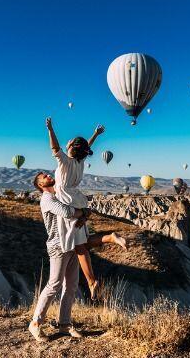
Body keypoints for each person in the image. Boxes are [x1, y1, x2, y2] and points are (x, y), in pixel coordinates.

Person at [45, 117, 127, 300]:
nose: (67, 143)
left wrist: (50, 129)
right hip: (77, 199)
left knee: (79, 247)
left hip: (67, 202)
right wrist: (95, 135)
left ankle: (91, 281)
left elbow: (54, 148)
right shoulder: (80, 163)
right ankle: (110, 238)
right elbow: (85, 147)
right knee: (83, 243)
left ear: (72, 148)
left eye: (70, 142)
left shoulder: (65, 162)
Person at [29, 171, 88, 342]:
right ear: (41, 185)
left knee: (71, 285)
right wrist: (82, 212)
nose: (48, 175)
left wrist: (83, 211)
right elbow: (67, 212)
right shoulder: (47, 199)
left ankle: (64, 324)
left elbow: (77, 207)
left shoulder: (60, 195)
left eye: (47, 174)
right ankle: (35, 323)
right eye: (44, 176)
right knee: (54, 284)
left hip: (71, 244)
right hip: (57, 247)